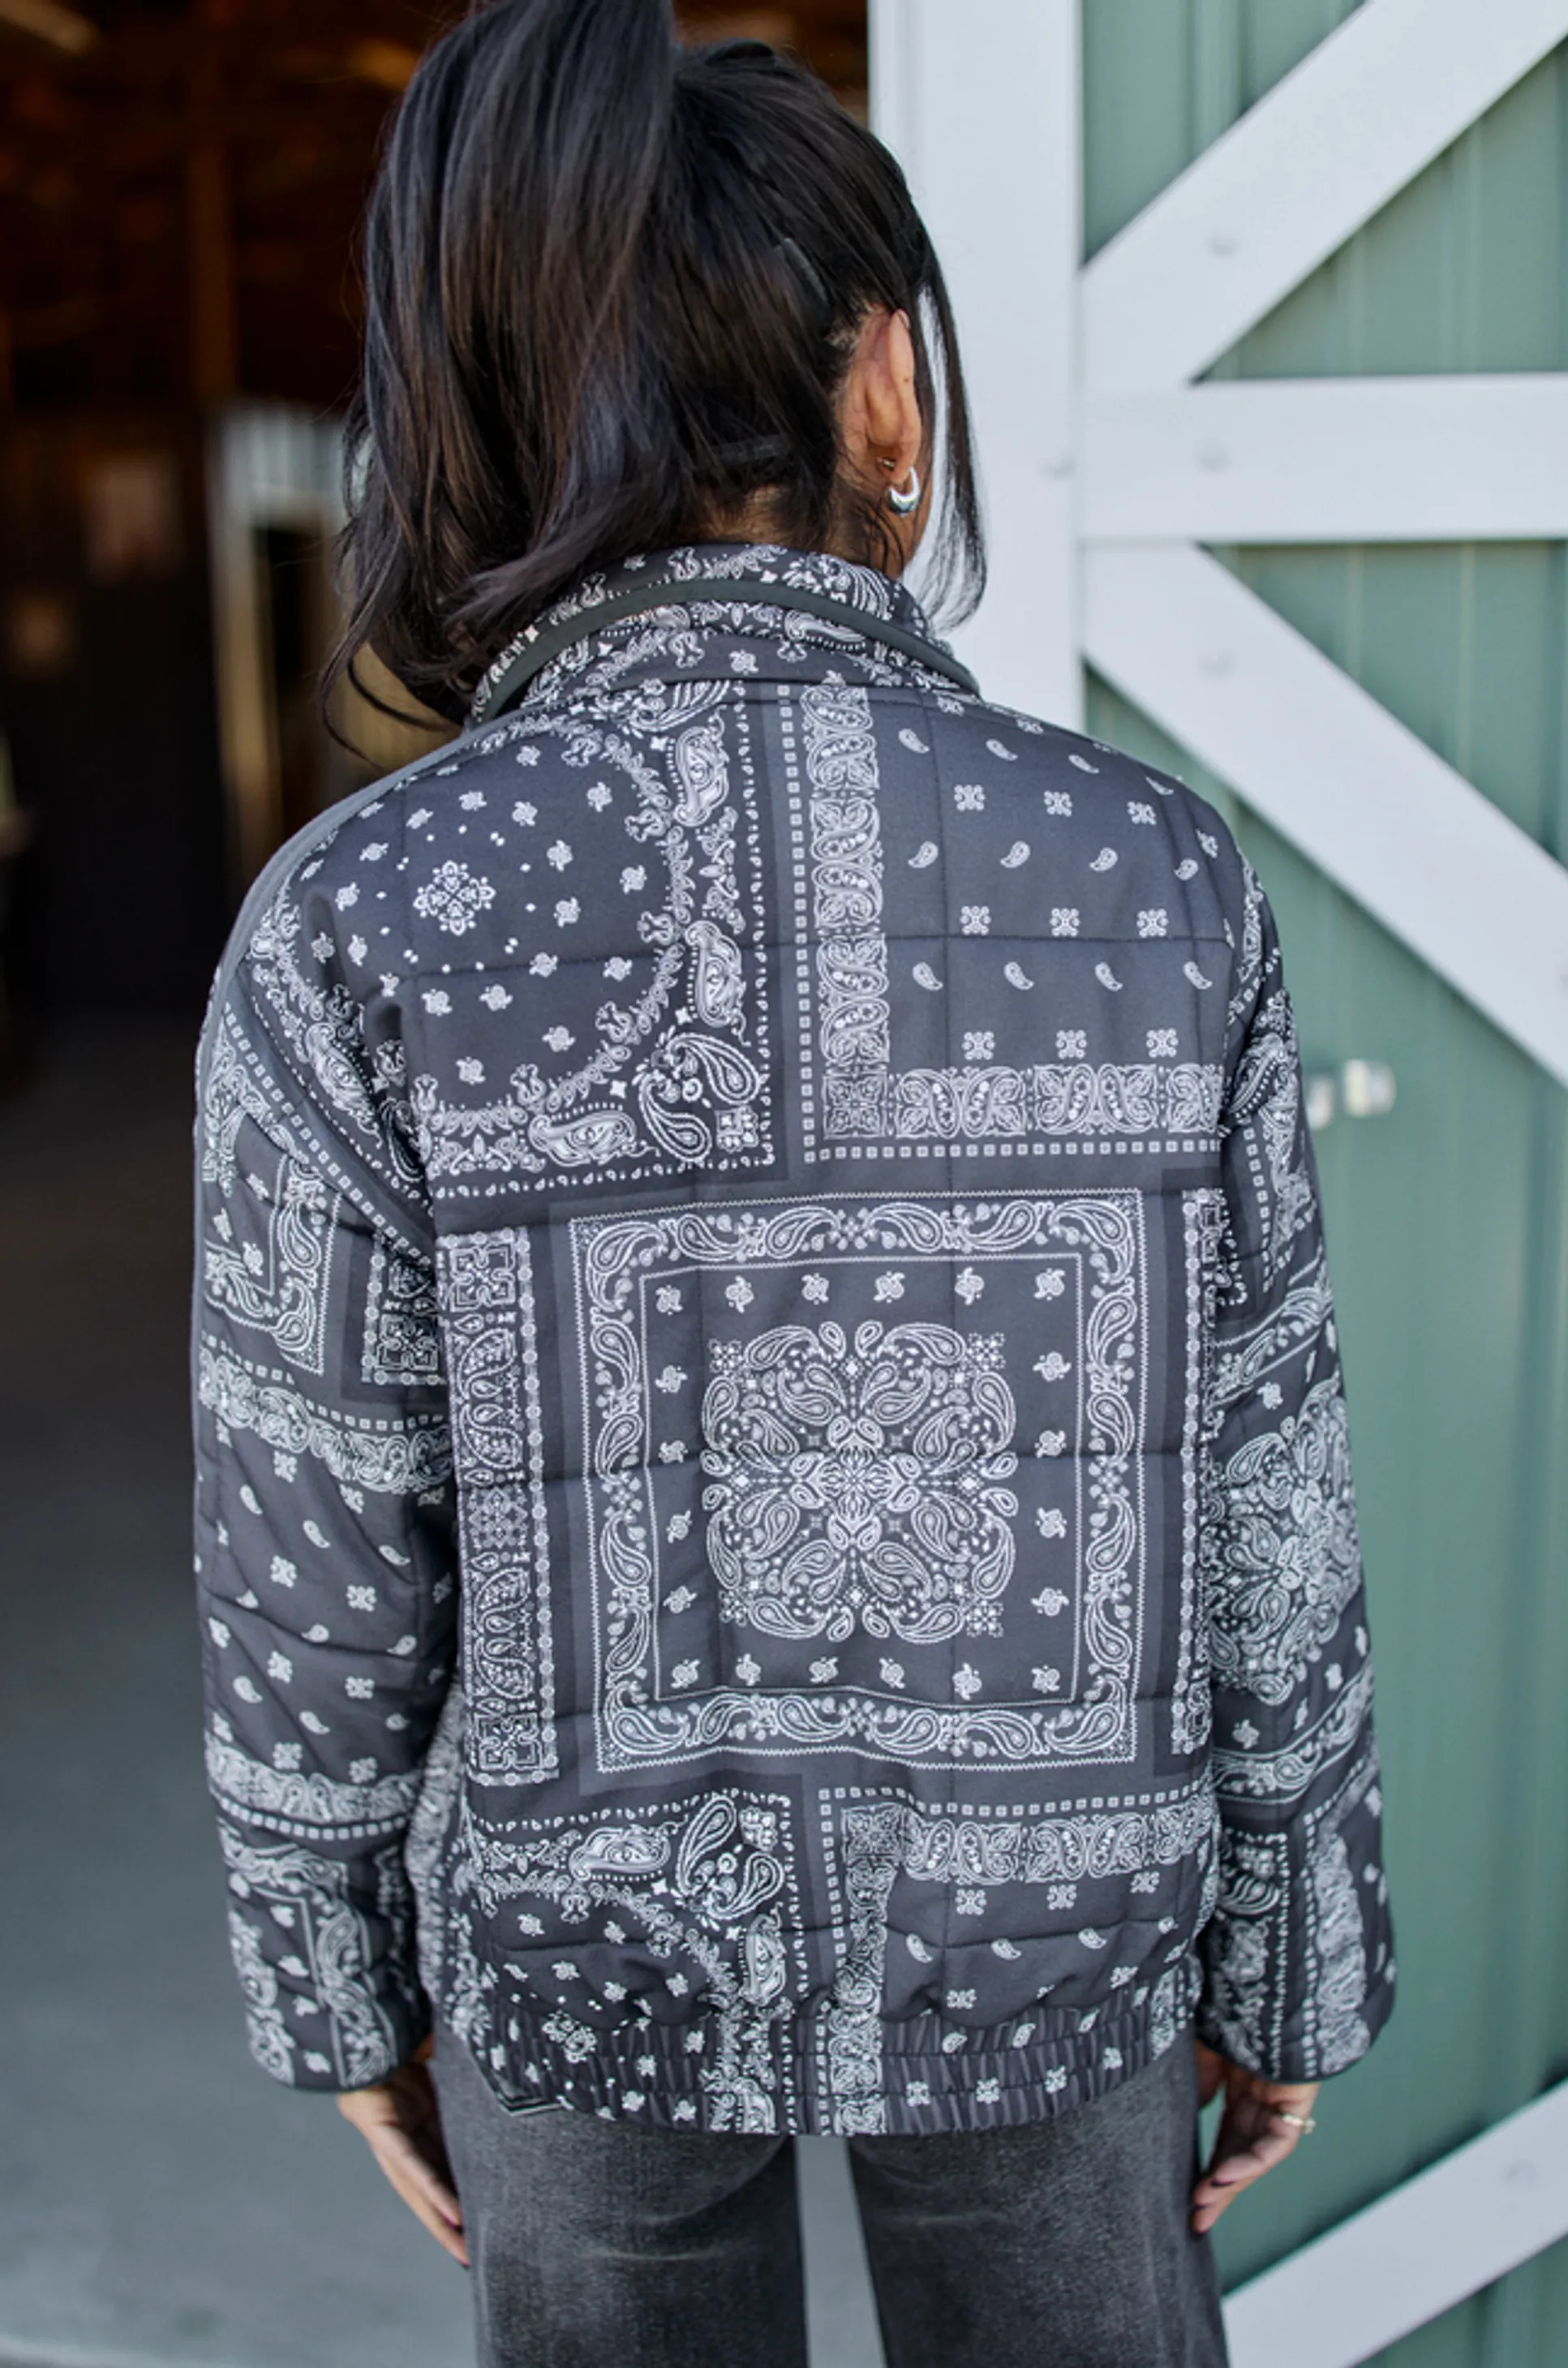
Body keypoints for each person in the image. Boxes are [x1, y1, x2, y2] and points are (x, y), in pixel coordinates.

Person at [191, 6, 1395, 2362]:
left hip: (577, 1970)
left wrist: (333, 1979)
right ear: (887, 397)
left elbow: (312, 1526)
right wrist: (1295, 1950)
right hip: (1062, 1947)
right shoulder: (1153, 877)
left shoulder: (358, 922)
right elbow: (1270, 1490)